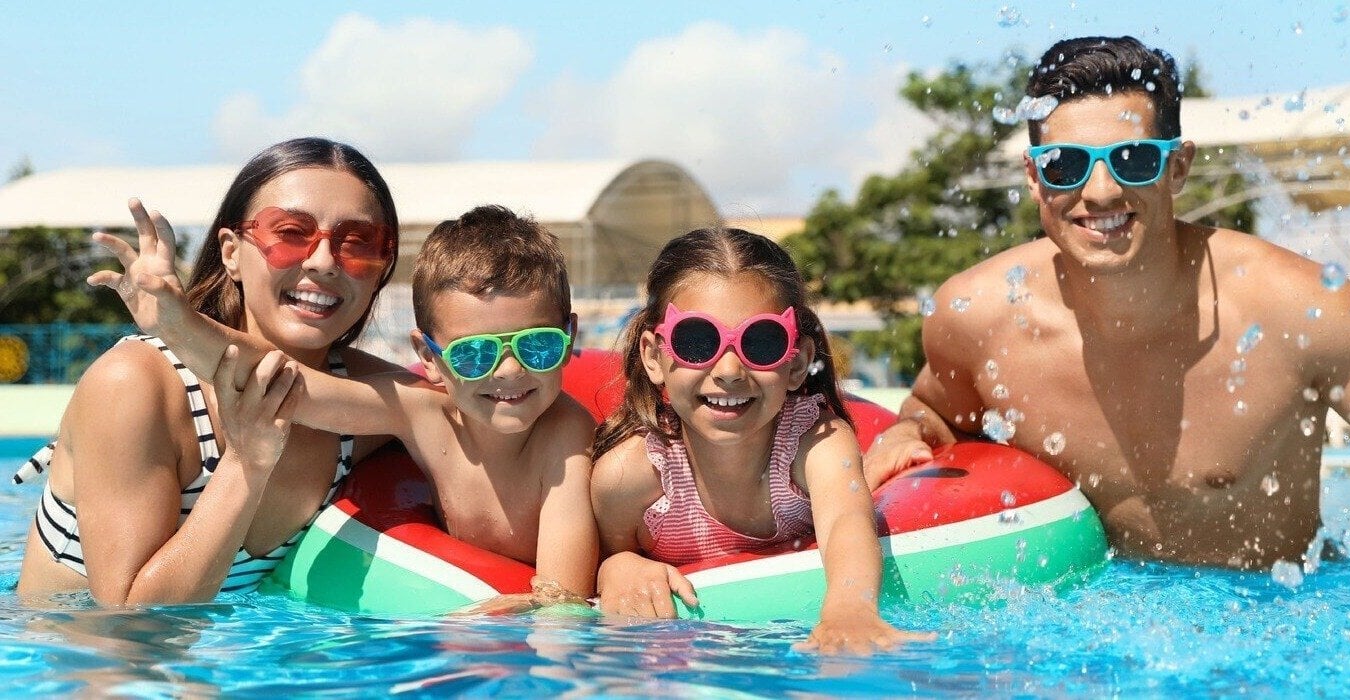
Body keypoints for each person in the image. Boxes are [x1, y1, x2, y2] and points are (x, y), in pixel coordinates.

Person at [864, 35, 1350, 571]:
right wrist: (909, 431)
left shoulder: (1300, 310)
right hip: (1094, 633)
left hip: (1282, 619)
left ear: (1178, 168)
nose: (1100, 192)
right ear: (1034, 177)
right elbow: (938, 410)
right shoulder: (977, 315)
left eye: (1134, 159)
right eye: (1064, 164)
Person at [100, 204, 598, 609]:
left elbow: (564, 596)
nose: (508, 371)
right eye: (473, 354)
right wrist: (175, 323)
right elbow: (291, 385)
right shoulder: (421, 414)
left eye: (536, 347)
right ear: (429, 357)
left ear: (569, 337)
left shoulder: (564, 432)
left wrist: (534, 607)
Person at [14, 137, 404, 604]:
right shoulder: (135, 385)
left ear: (381, 268)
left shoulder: (372, 404)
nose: (323, 262)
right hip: (73, 659)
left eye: (358, 242)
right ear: (231, 252)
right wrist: (247, 462)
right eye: (290, 233)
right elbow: (133, 623)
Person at [591, 227, 919, 653]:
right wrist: (618, 565)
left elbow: (845, 523)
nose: (729, 370)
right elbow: (594, 563)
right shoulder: (628, 477)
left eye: (761, 342)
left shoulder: (815, 443)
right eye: (697, 341)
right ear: (655, 357)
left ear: (797, 362)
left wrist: (849, 609)